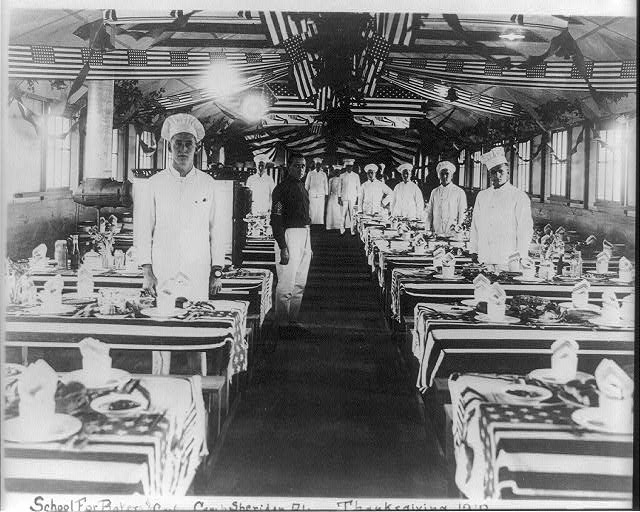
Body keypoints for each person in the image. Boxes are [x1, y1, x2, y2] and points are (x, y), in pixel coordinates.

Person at [135, 113, 224, 301]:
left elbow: (217, 230)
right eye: (178, 144)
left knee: (197, 320)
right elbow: (143, 230)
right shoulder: (154, 183)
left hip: (197, 269)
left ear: (196, 148)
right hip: (163, 269)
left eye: (188, 144)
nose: (183, 149)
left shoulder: (208, 183)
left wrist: (216, 271)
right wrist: (147, 272)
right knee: (164, 321)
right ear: (170, 146)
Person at [470, 147, 534, 271]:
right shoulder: (482, 196)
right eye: (493, 172)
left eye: (501, 171)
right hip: (485, 257)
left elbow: (525, 229)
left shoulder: (519, 196)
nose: (497, 175)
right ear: (489, 175)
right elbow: (475, 226)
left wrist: (522, 256)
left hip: (507, 259)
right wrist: (474, 249)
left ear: (508, 173)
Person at [270, 155, 312, 332]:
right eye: (297, 166)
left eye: (303, 166)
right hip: (288, 236)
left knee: (300, 282)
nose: (301, 169)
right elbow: (276, 218)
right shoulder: (280, 189)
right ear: (289, 167)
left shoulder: (302, 187)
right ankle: (282, 323)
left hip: (303, 234)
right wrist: (282, 246)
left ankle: (292, 320)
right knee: (287, 281)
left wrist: (308, 245)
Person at [424, 160, 467, 235]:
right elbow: (429, 213)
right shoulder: (434, 192)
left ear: (452, 175)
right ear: (438, 175)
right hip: (437, 229)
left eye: (447, 174)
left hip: (452, 231)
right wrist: (427, 229)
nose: (444, 176)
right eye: (442, 174)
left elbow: (462, 214)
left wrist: (459, 229)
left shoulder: (459, 192)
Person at [338, 158, 361, 235]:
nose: (349, 168)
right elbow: (339, 187)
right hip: (344, 198)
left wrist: (358, 198)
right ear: (346, 167)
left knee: (353, 215)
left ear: (352, 167)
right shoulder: (342, 176)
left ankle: (353, 231)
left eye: (351, 166)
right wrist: (339, 197)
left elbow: (358, 187)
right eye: (348, 166)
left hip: (353, 198)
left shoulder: (356, 176)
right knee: (343, 215)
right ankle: (342, 229)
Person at [304, 156, 329, 225]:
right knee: (312, 210)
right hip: (312, 195)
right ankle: (312, 223)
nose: (318, 166)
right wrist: (305, 193)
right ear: (315, 165)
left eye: (319, 165)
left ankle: (320, 224)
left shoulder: (323, 174)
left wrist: (326, 195)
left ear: (321, 165)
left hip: (321, 195)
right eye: (316, 165)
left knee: (320, 210)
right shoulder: (310, 173)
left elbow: (326, 185)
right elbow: (307, 184)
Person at [325, 165, 343, 230]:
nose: (337, 173)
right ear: (334, 172)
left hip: (340, 197)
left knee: (339, 212)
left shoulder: (342, 179)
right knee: (332, 212)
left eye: (338, 171)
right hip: (333, 197)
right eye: (336, 171)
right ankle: (331, 226)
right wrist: (328, 198)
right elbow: (329, 190)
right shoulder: (331, 179)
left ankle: (339, 226)